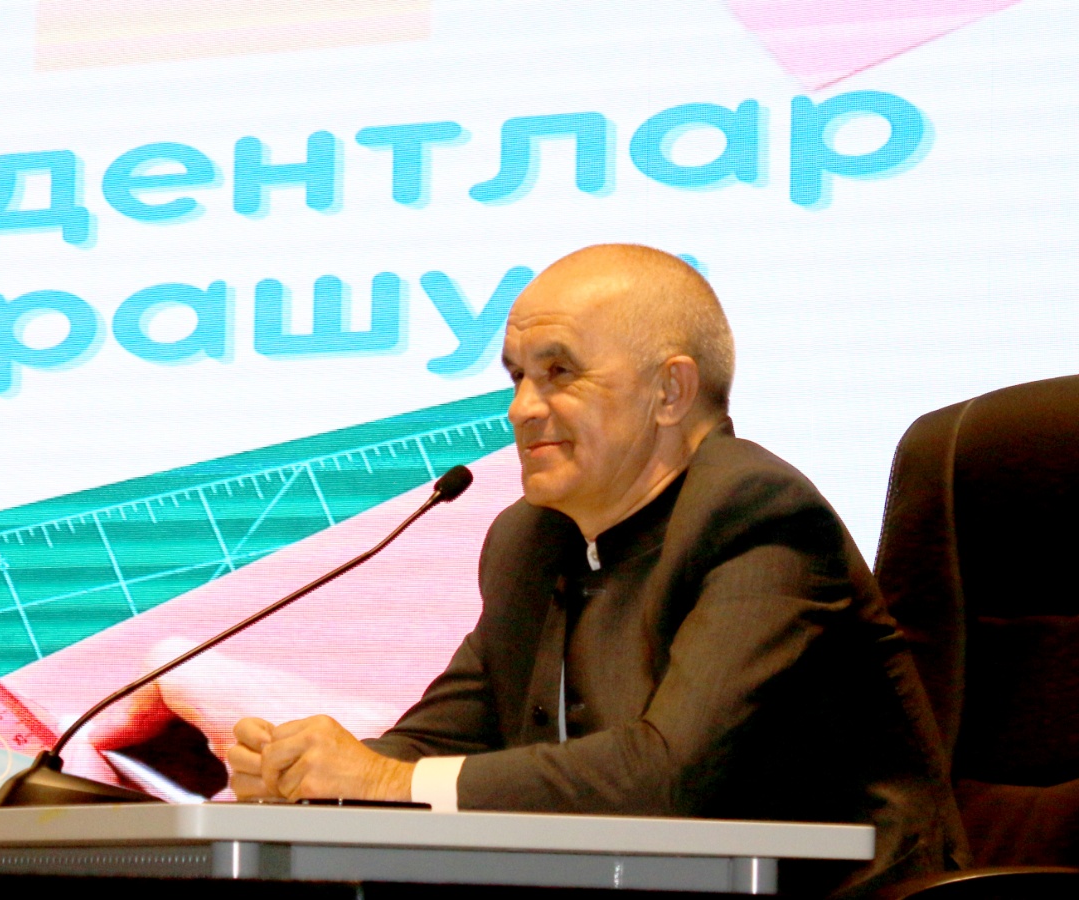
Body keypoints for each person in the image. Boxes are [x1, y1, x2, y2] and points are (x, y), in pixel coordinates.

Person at [227, 244, 969, 896]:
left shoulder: (757, 514)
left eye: (559, 373)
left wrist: (382, 781)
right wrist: (312, 773)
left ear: (670, 392)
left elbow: (668, 780)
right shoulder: (529, 540)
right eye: (517, 377)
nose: (522, 409)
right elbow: (441, 741)